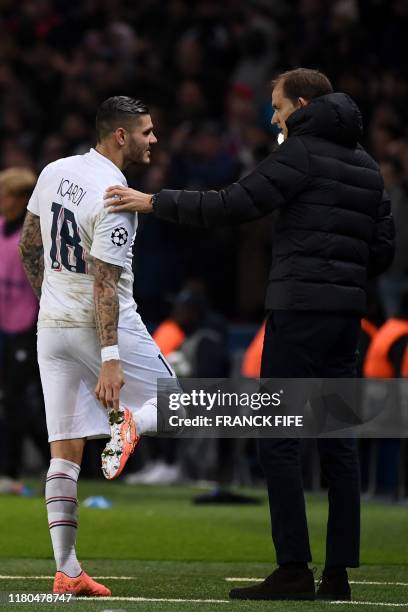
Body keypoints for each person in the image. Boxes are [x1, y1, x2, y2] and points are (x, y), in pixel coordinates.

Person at [104, 69, 395, 601]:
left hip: (297, 313)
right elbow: (382, 253)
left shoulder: (300, 154)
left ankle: (293, 569)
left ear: (303, 104)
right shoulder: (367, 166)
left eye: (278, 105)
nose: (273, 116)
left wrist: (152, 201)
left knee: (278, 437)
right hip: (344, 318)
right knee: (338, 443)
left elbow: (231, 204)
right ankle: (338, 576)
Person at [19, 96, 176, 597]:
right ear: (121, 136)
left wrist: (50, 300)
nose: (154, 140)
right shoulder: (117, 196)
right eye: (148, 132)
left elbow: (28, 243)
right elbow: (105, 285)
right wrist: (110, 361)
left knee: (63, 452)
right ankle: (133, 421)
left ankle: (67, 569)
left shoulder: (53, 170)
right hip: (103, 326)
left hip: (52, 325)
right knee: (184, 403)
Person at [0, 168, 49, 483]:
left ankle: (11, 470)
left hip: (27, 326)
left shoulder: (35, 237)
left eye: (5, 193)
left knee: (18, 397)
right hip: (3, 324)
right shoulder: (1, 227)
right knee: (11, 399)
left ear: (21, 199)